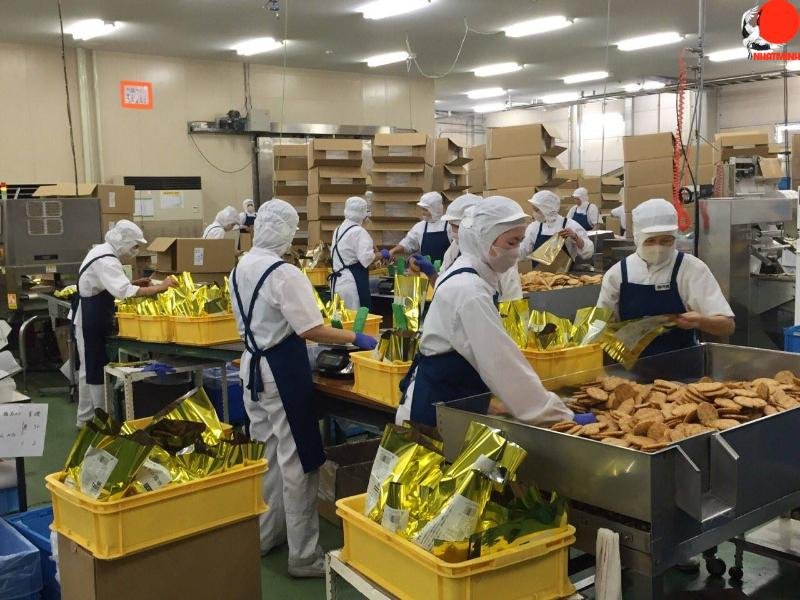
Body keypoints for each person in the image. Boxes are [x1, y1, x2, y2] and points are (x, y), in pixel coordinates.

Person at [230, 199, 378, 578]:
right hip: (281, 371)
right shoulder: (283, 273)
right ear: (284, 231)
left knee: (268, 457)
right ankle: (303, 556)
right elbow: (311, 329)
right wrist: (357, 337)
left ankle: (267, 536)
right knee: (299, 462)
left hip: (252, 367)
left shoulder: (240, 266)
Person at [395, 196, 576, 427]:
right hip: (434, 413)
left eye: (520, 241)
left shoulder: (473, 274)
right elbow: (501, 364)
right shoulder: (470, 291)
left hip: (451, 402)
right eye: (511, 242)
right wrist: (558, 416)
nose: (516, 251)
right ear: (485, 239)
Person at [596, 198, 735, 357]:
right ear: (637, 238)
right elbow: (601, 326)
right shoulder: (617, 274)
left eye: (666, 240)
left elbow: (727, 326)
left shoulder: (691, 269)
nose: (658, 248)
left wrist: (701, 321)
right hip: (631, 367)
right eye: (650, 241)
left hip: (683, 366)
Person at [73, 220, 175, 427]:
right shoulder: (107, 260)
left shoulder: (102, 251)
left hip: (89, 314)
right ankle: (103, 421)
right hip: (90, 317)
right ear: (123, 241)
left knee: (87, 369)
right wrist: (161, 287)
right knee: (95, 368)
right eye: (134, 246)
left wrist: (134, 284)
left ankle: (84, 419)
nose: (135, 251)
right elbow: (124, 292)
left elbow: (109, 284)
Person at [413, 193, 523, 302]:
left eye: (456, 227)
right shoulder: (455, 248)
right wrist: (431, 273)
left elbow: (512, 300)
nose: (452, 231)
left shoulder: (499, 256)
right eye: (450, 225)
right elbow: (442, 287)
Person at [519, 190, 594, 263]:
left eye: (536, 210)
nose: (534, 214)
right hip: (539, 271)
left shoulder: (570, 225)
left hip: (564, 271)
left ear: (547, 209)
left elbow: (588, 252)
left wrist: (575, 237)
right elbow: (523, 251)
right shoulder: (534, 227)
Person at [329, 196, 375, 310]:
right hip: (352, 284)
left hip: (337, 283)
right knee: (356, 318)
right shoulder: (359, 232)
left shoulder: (338, 229)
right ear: (363, 214)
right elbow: (367, 259)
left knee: (340, 318)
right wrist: (383, 254)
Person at [384, 191, 451, 264]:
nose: (422, 212)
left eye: (425, 210)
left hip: (447, 268)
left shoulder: (449, 225)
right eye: (422, 209)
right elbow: (408, 243)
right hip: (426, 269)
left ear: (435, 209)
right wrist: (393, 251)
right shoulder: (420, 227)